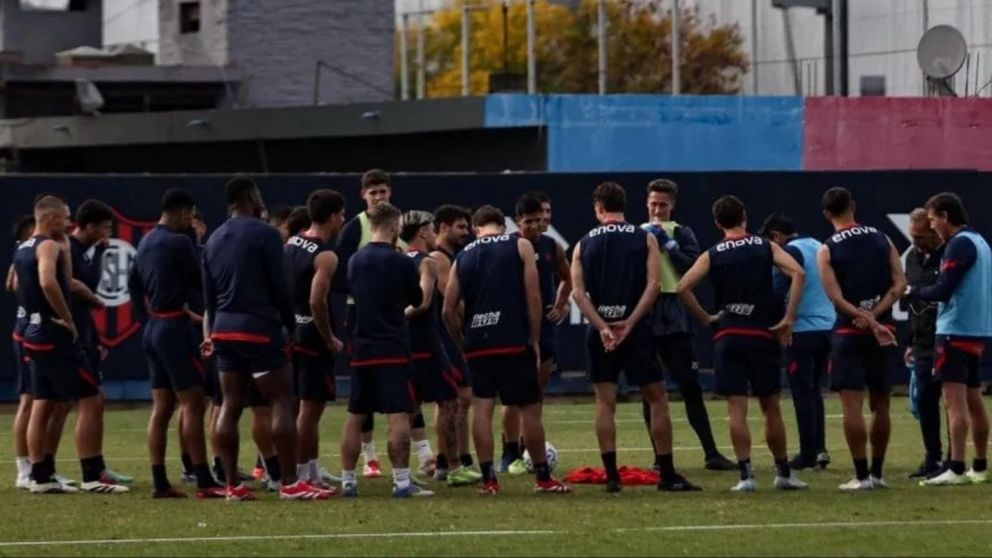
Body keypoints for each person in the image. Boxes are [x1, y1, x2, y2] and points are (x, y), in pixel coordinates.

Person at [202, 176, 331, 501]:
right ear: (250, 197)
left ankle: (232, 484)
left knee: (229, 405)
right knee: (281, 401)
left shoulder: (214, 238)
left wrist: (214, 331)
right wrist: (289, 326)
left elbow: (209, 296)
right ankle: (289, 483)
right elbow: (280, 287)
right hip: (259, 326)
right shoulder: (266, 234)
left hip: (224, 327)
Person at [571, 183, 700, 494]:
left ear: (598, 209)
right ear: (624, 205)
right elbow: (654, 284)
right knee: (657, 398)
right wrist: (629, 323)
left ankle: (612, 476)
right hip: (638, 329)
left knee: (605, 402)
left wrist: (603, 325)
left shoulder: (583, 243)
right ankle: (667, 473)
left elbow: (577, 292)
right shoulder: (644, 237)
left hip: (601, 331)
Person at [677, 195, 807, 492]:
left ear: (717, 224)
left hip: (729, 336)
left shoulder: (713, 253)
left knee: (737, 408)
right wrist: (788, 317)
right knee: (770, 406)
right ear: (744, 217)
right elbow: (798, 273)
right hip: (762, 335)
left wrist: (706, 318)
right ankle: (783, 472)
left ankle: (746, 476)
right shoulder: (765, 246)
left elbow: (683, 287)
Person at [443, 205, 570, 496]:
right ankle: (542, 478)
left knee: (483, 410)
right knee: (529, 410)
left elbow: (447, 310)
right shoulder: (520, 245)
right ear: (503, 226)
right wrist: (535, 337)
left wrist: (463, 342)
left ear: (476, 229)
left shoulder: (463, 256)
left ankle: (489, 480)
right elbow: (533, 294)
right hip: (513, 339)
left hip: (478, 342)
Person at [14, 195, 127, 494]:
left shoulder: (23, 247)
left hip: (33, 332)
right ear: (50, 219)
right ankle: (92, 475)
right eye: (65, 217)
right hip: (54, 336)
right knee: (91, 399)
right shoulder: (48, 245)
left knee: (43, 402)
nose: (68, 222)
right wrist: (68, 319)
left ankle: (40, 475)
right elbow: (49, 282)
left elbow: (17, 284)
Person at [129, 189, 225, 499]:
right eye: (189, 215)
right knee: (193, 404)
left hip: (155, 326)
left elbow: (134, 286)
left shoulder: (145, 241)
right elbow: (202, 279)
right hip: (174, 329)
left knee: (162, 407)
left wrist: (149, 317)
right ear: (184, 212)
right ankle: (203, 479)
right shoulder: (179, 241)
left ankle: (160, 480)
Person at [640, 179, 735, 472]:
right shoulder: (636, 234)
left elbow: (691, 269)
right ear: (647, 204)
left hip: (675, 314)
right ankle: (660, 456)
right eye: (653, 204)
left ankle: (711, 452)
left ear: (673, 205)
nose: (657, 209)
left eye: (663, 205)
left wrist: (668, 245)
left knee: (690, 385)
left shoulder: (682, 233)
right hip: (648, 312)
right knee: (651, 388)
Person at [339, 202, 432, 498]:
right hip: (392, 346)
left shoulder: (354, 261)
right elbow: (417, 299)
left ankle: (348, 481)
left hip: (362, 347)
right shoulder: (401, 261)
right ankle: (402, 481)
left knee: (356, 414)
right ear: (394, 227)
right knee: (398, 415)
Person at [817, 187, 905, 491]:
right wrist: (876, 315)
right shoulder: (883, 238)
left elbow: (835, 297)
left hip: (847, 332)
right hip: (884, 330)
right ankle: (877, 474)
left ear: (827, 214)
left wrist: (862, 317)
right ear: (853, 206)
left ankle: (862, 475)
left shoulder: (827, 248)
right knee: (881, 405)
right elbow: (899, 284)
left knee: (851, 405)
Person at [909, 193, 991, 486]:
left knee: (953, 402)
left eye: (932, 220)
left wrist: (914, 292)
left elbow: (944, 289)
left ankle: (956, 467)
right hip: (977, 327)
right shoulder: (980, 241)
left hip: (955, 328)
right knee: (973, 398)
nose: (932, 227)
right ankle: (979, 464)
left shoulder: (959, 244)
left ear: (944, 216)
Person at [400, 210, 481, 488]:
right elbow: (423, 303)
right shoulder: (429, 262)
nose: (434, 234)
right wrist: (405, 313)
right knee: (449, 403)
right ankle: (451, 466)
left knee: (406, 409)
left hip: (404, 344)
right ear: (423, 232)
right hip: (428, 344)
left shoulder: (398, 261)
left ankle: (404, 474)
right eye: (432, 229)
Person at [500, 194, 571, 475]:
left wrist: (562, 303)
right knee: (512, 397)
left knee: (535, 394)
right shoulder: (509, 247)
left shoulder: (552, 246)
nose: (534, 226)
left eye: (539, 220)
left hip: (545, 329)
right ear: (517, 222)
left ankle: (531, 448)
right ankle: (509, 453)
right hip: (515, 329)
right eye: (528, 221)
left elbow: (568, 276)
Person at [334, 169, 398, 479]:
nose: (378, 197)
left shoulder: (397, 226)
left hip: (393, 314)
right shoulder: (353, 228)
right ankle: (369, 456)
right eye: (373, 193)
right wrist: (363, 295)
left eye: (383, 191)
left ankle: (420, 455)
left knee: (401, 385)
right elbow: (337, 273)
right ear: (363, 196)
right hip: (359, 315)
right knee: (364, 389)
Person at [759, 213, 836, 470]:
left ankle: (807, 453)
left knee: (802, 393)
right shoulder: (816, 244)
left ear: (776, 237)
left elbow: (778, 288)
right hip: (827, 326)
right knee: (815, 390)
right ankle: (820, 448)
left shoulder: (790, 252)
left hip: (802, 329)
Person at [284, 190, 347, 490]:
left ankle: (310, 468)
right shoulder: (325, 255)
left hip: (291, 330)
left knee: (300, 405)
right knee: (311, 408)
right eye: (342, 214)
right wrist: (329, 337)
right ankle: (303, 474)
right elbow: (317, 300)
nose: (343, 220)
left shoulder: (290, 244)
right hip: (311, 334)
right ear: (334, 216)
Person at [68, 200, 134, 485]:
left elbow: (89, 290)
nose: (108, 232)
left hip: (84, 334)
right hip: (68, 337)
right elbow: (73, 289)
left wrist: (94, 338)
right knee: (88, 400)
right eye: (105, 227)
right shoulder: (66, 249)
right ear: (90, 225)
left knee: (93, 401)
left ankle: (96, 466)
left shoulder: (86, 252)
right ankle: (90, 473)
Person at [429, 204, 477, 478]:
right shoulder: (439, 257)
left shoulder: (452, 255)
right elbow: (452, 301)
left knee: (461, 399)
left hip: (450, 337)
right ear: (443, 227)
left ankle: (459, 457)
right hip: (447, 338)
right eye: (460, 227)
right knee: (451, 400)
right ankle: (446, 460)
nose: (466, 232)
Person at [903, 208, 948, 479]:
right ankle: (933, 457)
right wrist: (910, 340)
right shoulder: (912, 259)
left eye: (920, 237)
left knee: (953, 401)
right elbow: (913, 304)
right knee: (925, 400)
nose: (916, 242)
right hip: (922, 341)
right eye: (913, 237)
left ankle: (954, 460)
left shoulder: (950, 255)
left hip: (946, 336)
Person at [9, 214, 37, 489]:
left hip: (25, 326)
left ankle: (34, 464)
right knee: (29, 400)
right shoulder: (26, 252)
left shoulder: (22, 253)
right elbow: (14, 284)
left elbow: (10, 284)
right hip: (29, 329)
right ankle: (24, 467)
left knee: (36, 400)